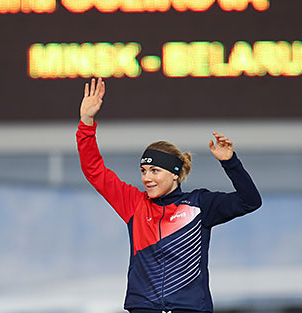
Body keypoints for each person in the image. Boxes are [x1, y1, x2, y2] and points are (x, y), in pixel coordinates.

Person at [76, 78, 262, 313]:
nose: (147, 178)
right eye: (143, 171)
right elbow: (94, 170)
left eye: (155, 170)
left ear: (175, 174)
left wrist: (230, 163)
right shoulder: (134, 203)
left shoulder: (199, 204)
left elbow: (250, 201)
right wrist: (86, 122)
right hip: (143, 308)